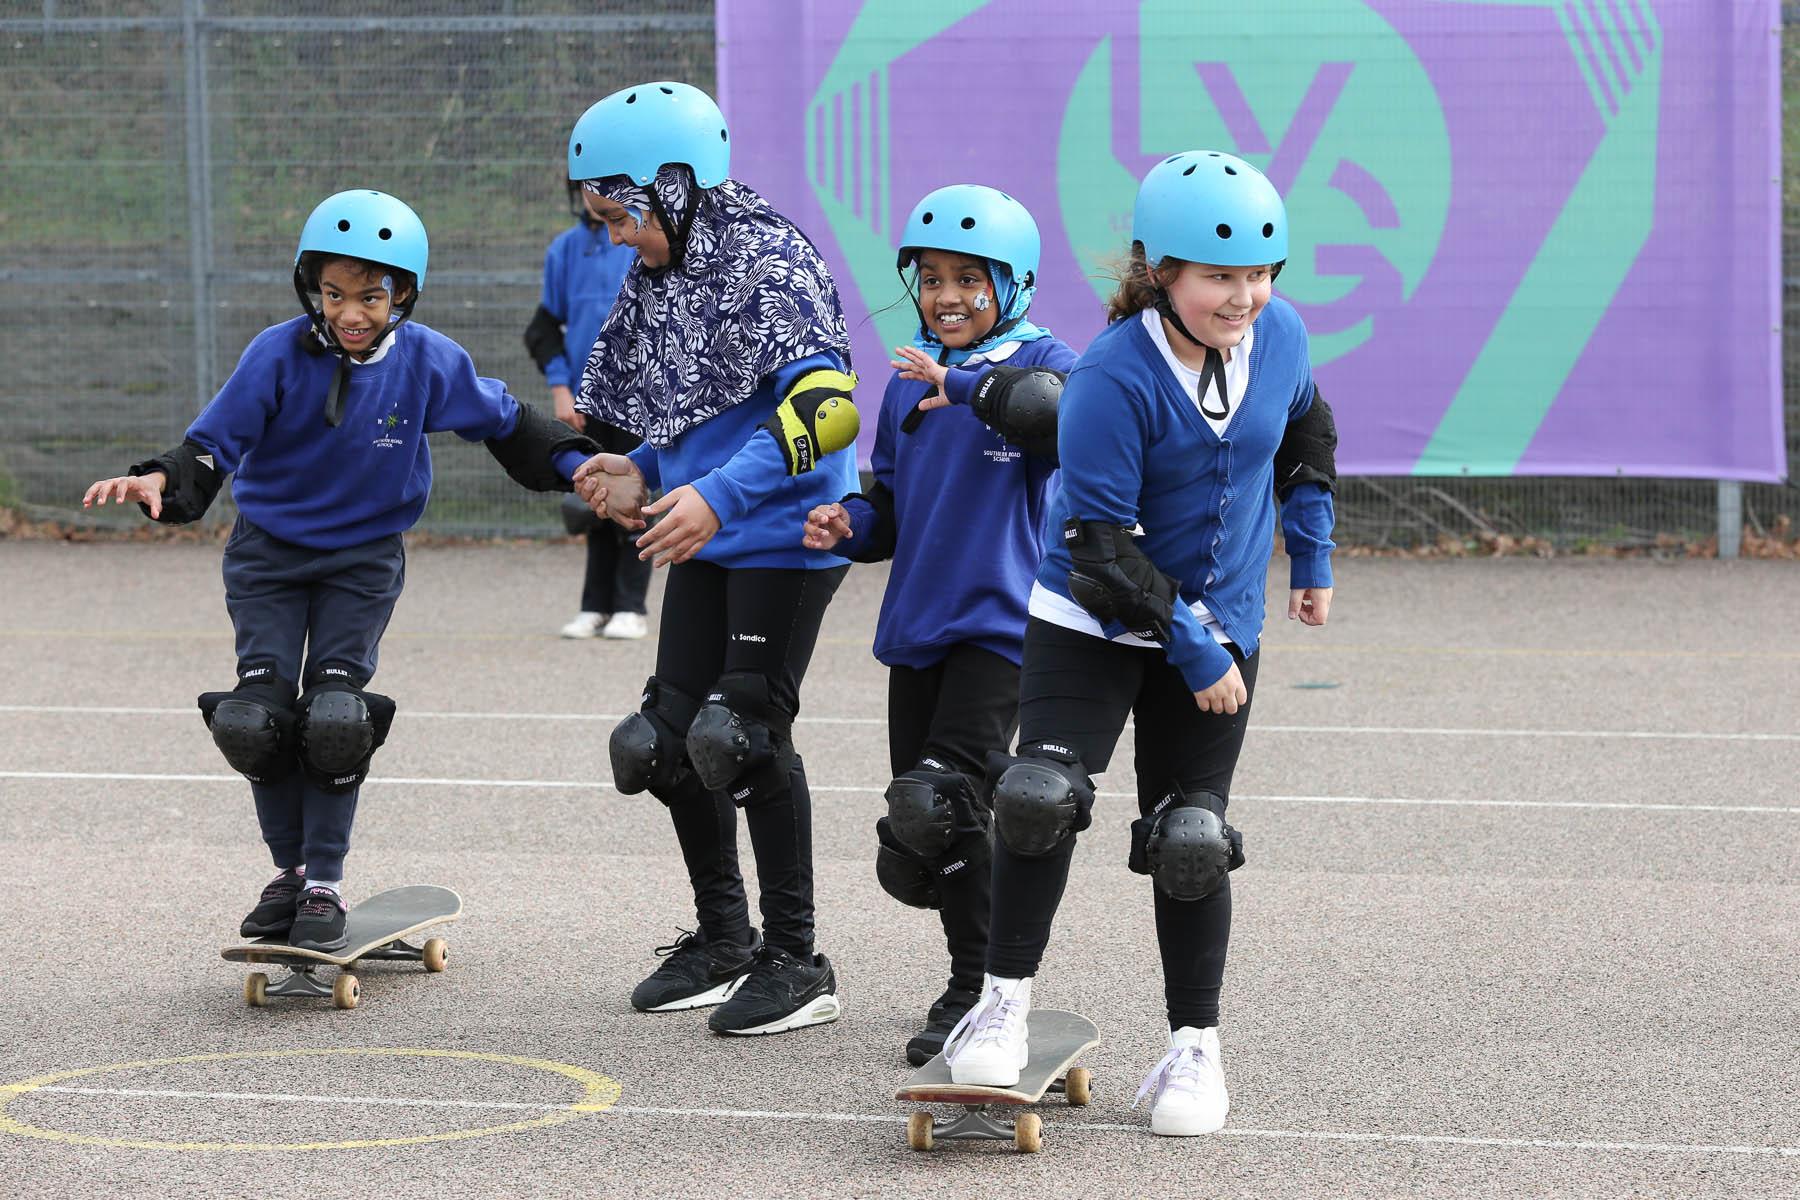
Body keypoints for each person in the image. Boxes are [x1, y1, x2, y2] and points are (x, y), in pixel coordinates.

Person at [80, 190, 599, 952]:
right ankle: (287, 874)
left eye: (369, 295)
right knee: (253, 720)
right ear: (310, 289)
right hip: (267, 556)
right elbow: (210, 444)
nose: (349, 311)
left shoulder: (428, 361)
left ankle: (324, 881)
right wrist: (161, 478)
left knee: (333, 716)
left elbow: (509, 423)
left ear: (404, 294)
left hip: (361, 560)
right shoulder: (277, 354)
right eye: (332, 293)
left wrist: (581, 465)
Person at [939, 152, 1339, 1137]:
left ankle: (1194, 1050)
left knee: (1191, 838)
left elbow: (1308, 427)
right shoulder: (1114, 374)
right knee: (1038, 798)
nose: (1242, 297)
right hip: (1093, 615)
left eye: (1258, 274)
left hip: (1225, 614)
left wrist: (1314, 552)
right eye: (1217, 277)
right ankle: (1001, 1004)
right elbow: (1103, 551)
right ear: (1160, 270)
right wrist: (1197, 652)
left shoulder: (1278, 335)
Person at [565, 81, 862, 1036]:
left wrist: (713, 495)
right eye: (598, 219)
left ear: (672, 185)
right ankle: (723, 939)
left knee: (741, 733)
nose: (612, 236)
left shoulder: (769, 259)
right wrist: (641, 466)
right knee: (662, 742)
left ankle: (798, 961)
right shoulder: (672, 263)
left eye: (618, 214)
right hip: (711, 525)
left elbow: (828, 410)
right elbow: (702, 410)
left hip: (784, 535)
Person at [800, 184, 1076, 1065]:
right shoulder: (906, 378)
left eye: (969, 279)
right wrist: (852, 523)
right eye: (930, 278)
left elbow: (1052, 421)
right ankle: (980, 970)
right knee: (922, 836)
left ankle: (978, 990)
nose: (946, 295)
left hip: (1004, 626)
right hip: (919, 623)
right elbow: (891, 505)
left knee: (939, 799)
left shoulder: (1049, 364)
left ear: (1016, 283)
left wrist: (958, 384)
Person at [523, 181, 651, 640]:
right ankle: (595, 605)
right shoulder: (564, 250)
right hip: (587, 401)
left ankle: (631, 606)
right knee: (594, 498)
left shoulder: (642, 241)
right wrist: (562, 389)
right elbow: (543, 328)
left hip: (639, 399)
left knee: (635, 497)